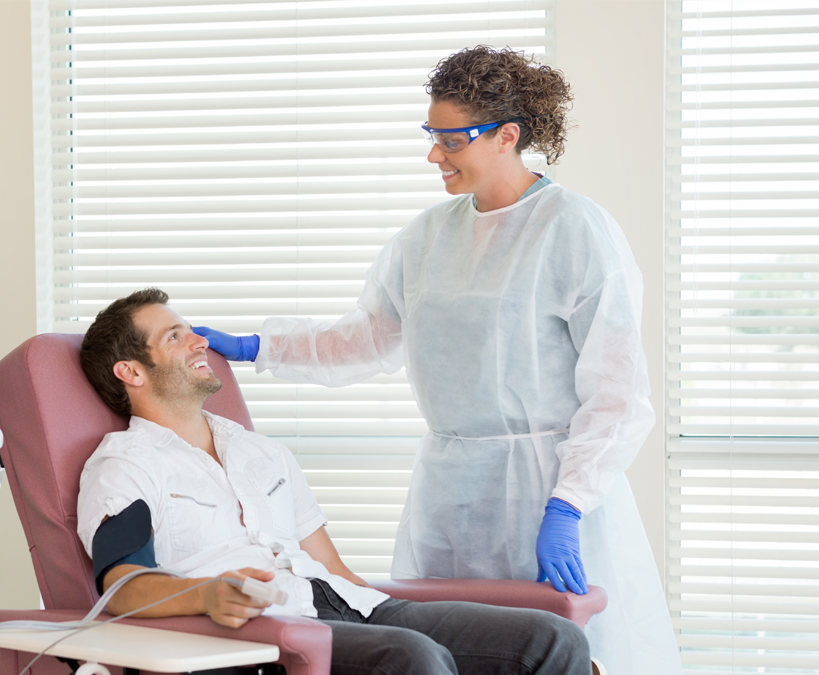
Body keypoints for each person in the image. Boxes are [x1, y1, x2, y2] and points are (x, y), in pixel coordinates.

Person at [193, 47, 682, 674]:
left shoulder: (576, 230)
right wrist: (259, 347)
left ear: (508, 136)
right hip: (451, 492)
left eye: (452, 139)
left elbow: (617, 392)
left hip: (548, 486)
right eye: (432, 136)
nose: (434, 154)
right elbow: (367, 337)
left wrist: (567, 505)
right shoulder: (426, 237)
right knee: (451, 648)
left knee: (568, 652)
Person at [75, 288, 592, 675]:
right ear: (131, 372)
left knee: (554, 640)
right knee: (412, 659)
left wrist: (389, 613)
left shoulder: (259, 450)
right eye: (174, 336)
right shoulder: (127, 464)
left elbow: (329, 563)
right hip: (252, 632)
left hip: (354, 607)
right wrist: (206, 594)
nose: (199, 340)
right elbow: (121, 585)